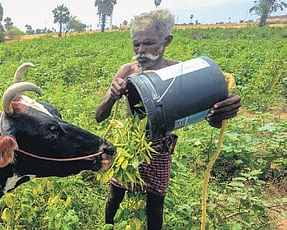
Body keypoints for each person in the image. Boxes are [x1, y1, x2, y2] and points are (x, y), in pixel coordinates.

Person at [95, 9, 241, 230]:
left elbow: (209, 117)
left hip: (159, 150)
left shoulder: (179, 73)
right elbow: (99, 116)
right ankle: (107, 226)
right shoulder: (127, 71)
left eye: (149, 43)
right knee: (115, 196)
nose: (142, 51)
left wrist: (222, 112)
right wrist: (113, 95)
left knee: (155, 206)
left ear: (167, 41)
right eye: (137, 44)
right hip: (129, 148)